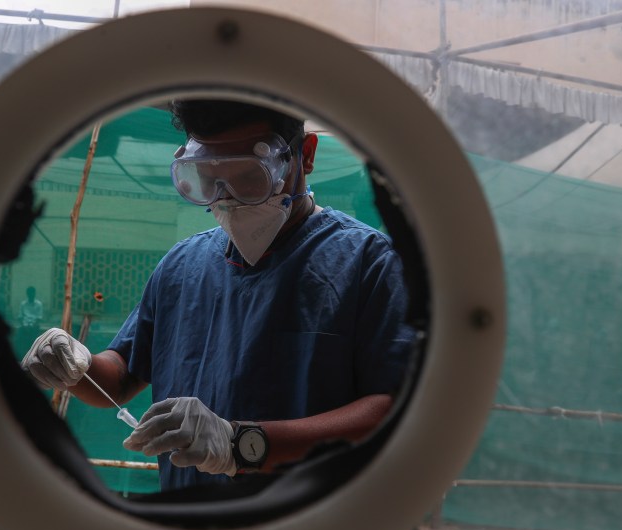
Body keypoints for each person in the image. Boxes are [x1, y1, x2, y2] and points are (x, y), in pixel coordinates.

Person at [22, 99, 414, 491]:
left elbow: (395, 410)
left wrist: (242, 444)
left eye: (249, 175)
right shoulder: (181, 267)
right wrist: (75, 365)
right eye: (209, 176)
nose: (226, 196)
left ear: (305, 155)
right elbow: (121, 379)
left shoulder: (369, 264)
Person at [16, 285, 44, 353]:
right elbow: (20, 316)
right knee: (18, 338)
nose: (31, 294)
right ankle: (22, 353)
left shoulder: (38, 304)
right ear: (27, 294)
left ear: (35, 293)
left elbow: (39, 318)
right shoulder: (23, 304)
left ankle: (33, 352)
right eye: (29, 293)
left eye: (32, 293)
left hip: (34, 325)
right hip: (24, 325)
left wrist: (33, 325)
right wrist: (24, 325)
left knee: (34, 338)